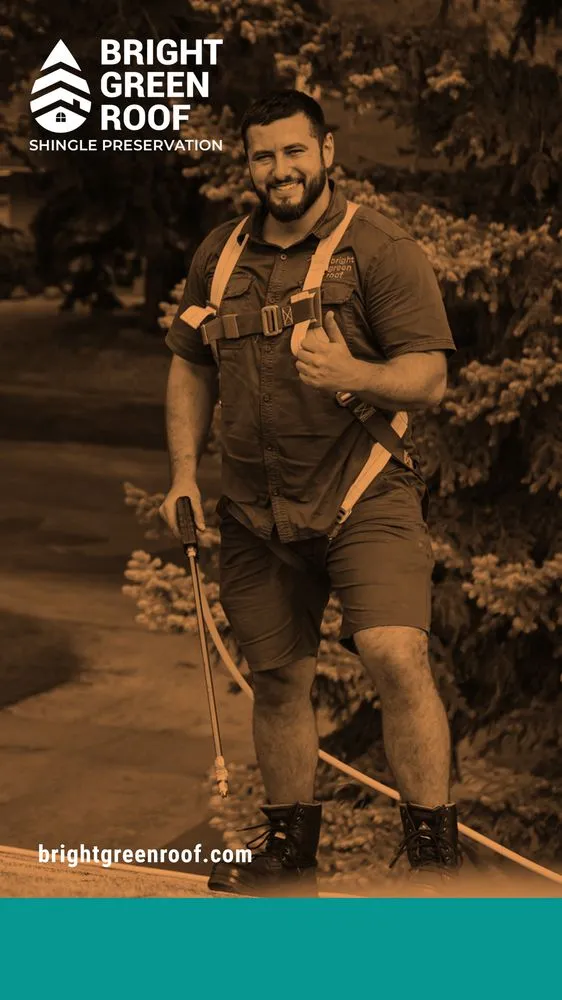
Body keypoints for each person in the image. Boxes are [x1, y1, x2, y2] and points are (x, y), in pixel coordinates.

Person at [159, 89, 459, 897]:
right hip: (256, 511)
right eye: (263, 155)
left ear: (327, 151)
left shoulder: (381, 250)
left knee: (395, 655)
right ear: (248, 164)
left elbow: (429, 375)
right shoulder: (219, 256)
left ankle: (433, 862)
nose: (280, 169)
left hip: (364, 494)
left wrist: (354, 374)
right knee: (280, 677)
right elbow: (190, 361)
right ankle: (289, 856)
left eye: (295, 152)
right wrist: (184, 472)